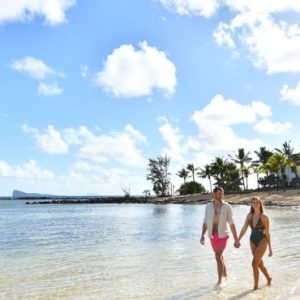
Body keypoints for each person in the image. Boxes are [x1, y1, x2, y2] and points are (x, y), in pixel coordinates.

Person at [200, 187, 240, 286]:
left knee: (217, 256)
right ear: (214, 194)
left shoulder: (227, 207)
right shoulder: (208, 206)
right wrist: (202, 235)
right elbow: (205, 221)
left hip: (223, 235)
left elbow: (231, 223)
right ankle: (225, 276)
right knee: (220, 257)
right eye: (219, 194)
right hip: (212, 236)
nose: (221, 196)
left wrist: (236, 239)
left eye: (222, 194)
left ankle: (219, 281)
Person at [238, 196, 272, 290]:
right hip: (252, 240)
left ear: (260, 204)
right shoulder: (249, 216)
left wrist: (270, 248)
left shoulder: (265, 217)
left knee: (254, 264)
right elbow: (244, 228)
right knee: (259, 264)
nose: (255, 204)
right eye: (253, 203)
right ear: (251, 204)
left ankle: (255, 287)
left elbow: (267, 233)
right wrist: (238, 239)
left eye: (257, 202)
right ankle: (269, 278)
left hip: (262, 240)